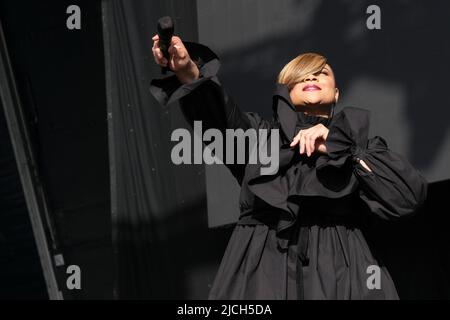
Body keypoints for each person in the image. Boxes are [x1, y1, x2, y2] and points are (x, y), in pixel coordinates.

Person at [150, 35, 428, 300]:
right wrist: (188, 71)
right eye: (302, 73)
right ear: (286, 89)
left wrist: (338, 146)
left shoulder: (359, 146)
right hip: (261, 271)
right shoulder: (258, 139)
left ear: (336, 93)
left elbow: (407, 197)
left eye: (322, 73)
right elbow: (216, 115)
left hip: (343, 275)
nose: (312, 76)